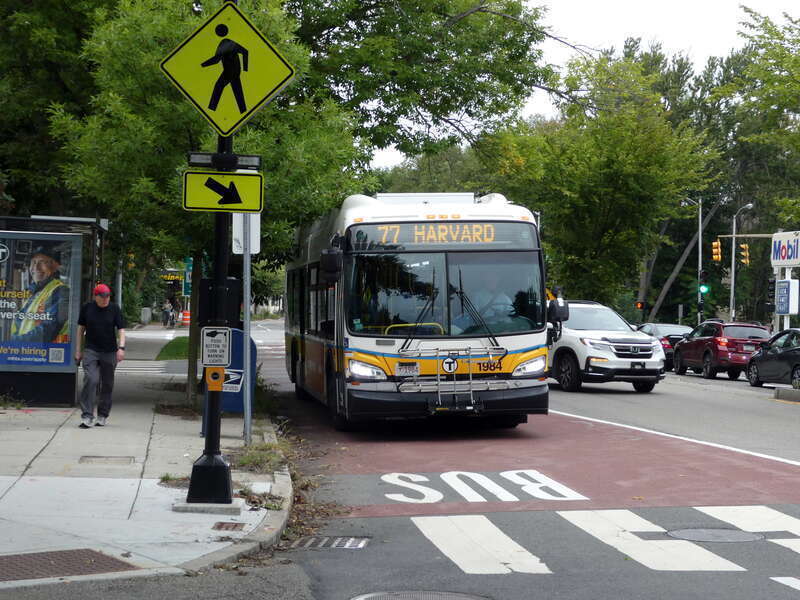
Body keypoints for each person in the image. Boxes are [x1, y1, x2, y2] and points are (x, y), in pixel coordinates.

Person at [74, 283, 126, 428]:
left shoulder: (114, 309)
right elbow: (80, 330)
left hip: (109, 351)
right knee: (91, 379)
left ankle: (102, 415)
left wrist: (121, 348)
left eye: (108, 296)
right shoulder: (87, 308)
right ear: (95, 296)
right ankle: (87, 415)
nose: (105, 299)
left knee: (107, 384)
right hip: (91, 350)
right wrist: (78, 350)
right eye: (102, 297)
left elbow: (121, 329)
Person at [10, 246, 70, 343]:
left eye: (42, 262)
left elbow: (48, 330)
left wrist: (14, 341)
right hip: (26, 352)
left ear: (55, 267)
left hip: (45, 353)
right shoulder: (34, 292)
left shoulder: (61, 291)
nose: (36, 267)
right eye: (33, 262)